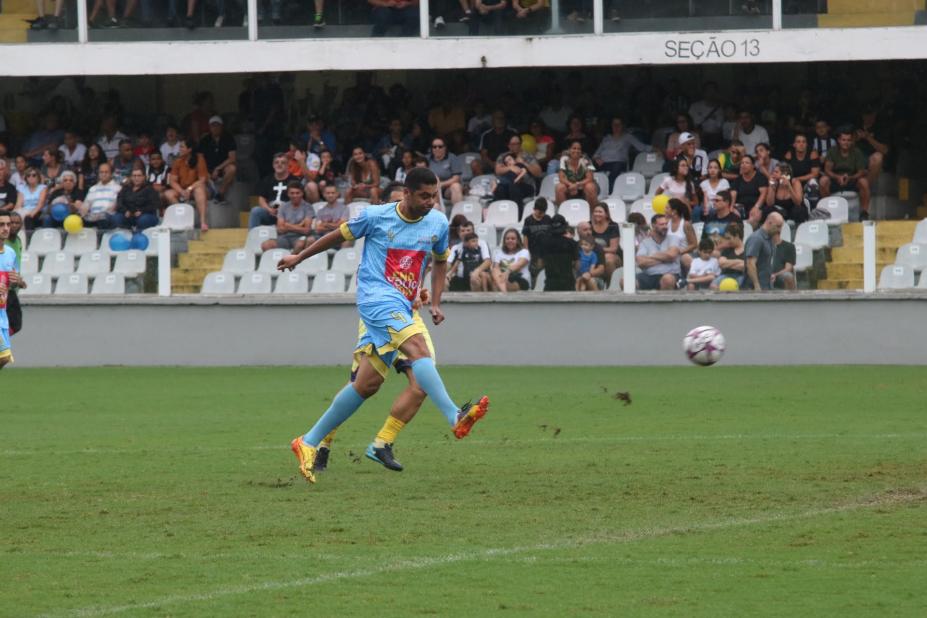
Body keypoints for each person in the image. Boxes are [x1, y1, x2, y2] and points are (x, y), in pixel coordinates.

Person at [278, 167, 489, 485]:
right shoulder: (375, 216)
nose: (431, 202)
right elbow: (337, 235)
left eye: (434, 196)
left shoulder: (438, 223)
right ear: (407, 193)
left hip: (404, 306)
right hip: (376, 300)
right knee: (419, 351)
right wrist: (299, 257)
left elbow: (441, 259)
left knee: (366, 385)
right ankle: (454, 416)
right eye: (424, 196)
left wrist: (435, 301)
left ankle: (308, 441)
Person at [312, 182, 443, 473]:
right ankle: (322, 441)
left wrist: (423, 294)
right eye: (397, 201)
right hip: (379, 320)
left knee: (421, 383)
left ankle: (383, 443)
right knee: (363, 385)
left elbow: (417, 271)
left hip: (408, 319)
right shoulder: (379, 234)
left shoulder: (422, 231)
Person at [821, 128, 870, 220]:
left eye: (848, 140)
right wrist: (837, 177)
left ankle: (864, 212)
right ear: (839, 140)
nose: (846, 142)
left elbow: (861, 172)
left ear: (852, 141)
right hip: (835, 180)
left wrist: (850, 177)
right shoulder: (832, 151)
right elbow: (827, 170)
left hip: (852, 179)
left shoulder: (857, 152)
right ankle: (826, 210)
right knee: (823, 181)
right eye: (843, 140)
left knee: (864, 182)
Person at [593, 116, 651, 191]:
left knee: (616, 168)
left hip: (619, 164)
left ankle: (609, 191)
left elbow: (641, 147)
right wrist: (597, 158)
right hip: (604, 163)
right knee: (590, 168)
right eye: (614, 125)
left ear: (622, 126)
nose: (616, 127)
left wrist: (656, 149)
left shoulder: (628, 137)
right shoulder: (606, 138)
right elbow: (595, 154)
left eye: (618, 125)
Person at [166, 138, 210, 232]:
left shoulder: (199, 158)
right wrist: (182, 191)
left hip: (196, 188)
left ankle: (203, 222)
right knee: (169, 194)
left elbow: (202, 180)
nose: (179, 149)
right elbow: (172, 181)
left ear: (189, 149)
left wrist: (189, 189)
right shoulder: (178, 161)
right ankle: (182, 218)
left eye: (182, 147)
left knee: (199, 190)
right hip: (183, 190)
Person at [0, 211, 26, 370]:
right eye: (1, 225)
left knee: (4, 359)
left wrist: (19, 281)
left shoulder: (9, 253)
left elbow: (14, 279)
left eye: (8, 225)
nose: (6, 228)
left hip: (2, 313)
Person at [248, 152, 299, 229]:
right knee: (255, 211)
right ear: (273, 165)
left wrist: (283, 209)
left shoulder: (294, 180)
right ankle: (252, 237)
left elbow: (297, 200)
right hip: (271, 212)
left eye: (283, 163)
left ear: (288, 165)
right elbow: (261, 199)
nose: (279, 165)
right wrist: (269, 210)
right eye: (276, 162)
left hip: (288, 214)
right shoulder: (267, 180)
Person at [261, 182, 314, 253]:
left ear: (302, 193)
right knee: (266, 245)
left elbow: (306, 230)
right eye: (292, 193)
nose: (295, 195)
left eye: (297, 193)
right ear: (288, 194)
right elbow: (280, 229)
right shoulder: (283, 207)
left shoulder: (308, 207)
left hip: (300, 237)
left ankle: (291, 262)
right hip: (284, 237)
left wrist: (287, 225)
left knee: (300, 244)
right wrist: (299, 226)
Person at [635, 213, 681, 291]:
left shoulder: (674, 239)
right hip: (649, 275)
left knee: (667, 279)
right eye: (661, 224)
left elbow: (672, 256)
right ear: (653, 226)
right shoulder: (645, 242)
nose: (665, 227)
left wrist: (651, 256)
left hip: (670, 274)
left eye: (666, 224)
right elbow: (640, 262)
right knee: (625, 281)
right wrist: (664, 258)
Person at [197, 116, 237, 202]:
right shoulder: (204, 140)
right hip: (207, 169)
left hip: (222, 168)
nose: (215, 128)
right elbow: (200, 158)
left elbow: (232, 158)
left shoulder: (228, 138)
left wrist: (218, 168)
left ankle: (220, 194)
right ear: (209, 127)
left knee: (232, 168)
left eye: (217, 125)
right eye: (213, 125)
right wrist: (205, 172)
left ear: (222, 126)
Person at [493, 135, 541, 208]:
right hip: (508, 184)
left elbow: (538, 172)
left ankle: (518, 215)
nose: (515, 146)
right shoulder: (504, 156)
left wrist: (524, 163)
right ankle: (500, 214)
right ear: (508, 145)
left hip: (526, 186)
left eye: (517, 144)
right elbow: (498, 170)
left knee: (514, 187)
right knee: (499, 189)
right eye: (512, 144)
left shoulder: (528, 156)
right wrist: (510, 167)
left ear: (521, 144)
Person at [743, 212, 783, 290]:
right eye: (778, 226)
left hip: (766, 286)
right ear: (769, 222)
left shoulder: (769, 238)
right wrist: (757, 285)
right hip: (754, 288)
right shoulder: (756, 238)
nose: (779, 230)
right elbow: (750, 263)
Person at [556, 140, 598, 206]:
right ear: (569, 150)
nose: (576, 151)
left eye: (579, 149)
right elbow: (561, 178)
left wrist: (577, 184)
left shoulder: (586, 159)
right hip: (570, 186)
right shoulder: (564, 159)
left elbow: (590, 178)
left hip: (583, 185)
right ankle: (562, 213)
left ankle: (592, 213)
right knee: (559, 187)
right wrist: (570, 184)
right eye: (574, 148)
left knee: (590, 186)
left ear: (581, 151)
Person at [80, 162, 120, 229]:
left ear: (111, 174)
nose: (103, 174)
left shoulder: (117, 188)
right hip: (92, 217)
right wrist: (83, 212)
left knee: (103, 218)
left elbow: (114, 206)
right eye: (101, 172)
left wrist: (101, 214)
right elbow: (86, 204)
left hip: (107, 217)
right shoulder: (93, 188)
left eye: (106, 172)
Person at [490, 228, 531, 292]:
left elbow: (519, 265)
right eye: (507, 239)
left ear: (518, 240)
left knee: (497, 283)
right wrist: (502, 275)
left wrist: (507, 272)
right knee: (495, 272)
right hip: (502, 279)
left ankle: (503, 295)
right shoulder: (499, 253)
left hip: (520, 279)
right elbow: (496, 268)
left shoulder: (524, 252)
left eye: (513, 239)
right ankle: (504, 293)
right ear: (504, 241)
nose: (510, 240)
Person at [588, 202, 621, 280]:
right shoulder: (588, 225)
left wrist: (597, 250)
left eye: (600, 212)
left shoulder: (613, 226)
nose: (597, 214)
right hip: (593, 255)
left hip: (612, 256)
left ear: (606, 214)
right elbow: (586, 244)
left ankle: (612, 285)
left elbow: (613, 249)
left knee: (607, 258)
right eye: (595, 211)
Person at [427, 137, 464, 205]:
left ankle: (457, 213)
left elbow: (456, 178)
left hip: (447, 188)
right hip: (430, 188)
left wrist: (441, 184)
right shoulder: (427, 159)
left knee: (456, 186)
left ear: (445, 147)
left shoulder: (452, 158)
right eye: (434, 147)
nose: (437, 149)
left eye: (440, 146)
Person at [730, 154, 767, 220]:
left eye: (747, 163)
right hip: (741, 207)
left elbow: (763, 193)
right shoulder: (738, 179)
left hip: (756, 205)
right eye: (742, 163)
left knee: (754, 215)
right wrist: (731, 207)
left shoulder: (760, 177)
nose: (743, 165)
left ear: (753, 165)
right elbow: (733, 194)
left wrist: (756, 207)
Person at [521, 197, 553, 274]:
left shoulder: (548, 219)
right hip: (533, 250)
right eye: (539, 213)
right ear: (534, 209)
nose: (541, 215)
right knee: (535, 270)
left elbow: (551, 234)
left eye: (543, 213)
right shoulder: (528, 220)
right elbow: (525, 236)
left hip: (545, 250)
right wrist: (526, 251)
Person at [665, 198, 698, 273]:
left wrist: (679, 252)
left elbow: (694, 244)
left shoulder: (686, 224)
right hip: (670, 255)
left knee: (685, 258)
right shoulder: (666, 223)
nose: (665, 210)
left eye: (667, 208)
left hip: (683, 255)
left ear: (674, 211)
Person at [712, 220, 745, 290]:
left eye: (729, 238)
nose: (727, 241)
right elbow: (721, 263)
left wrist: (728, 263)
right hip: (726, 275)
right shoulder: (727, 250)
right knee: (713, 285)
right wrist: (738, 261)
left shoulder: (747, 249)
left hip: (741, 276)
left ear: (737, 236)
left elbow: (745, 266)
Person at [771, 226, 797, 291]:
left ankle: (790, 299)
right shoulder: (764, 246)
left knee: (788, 275)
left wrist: (774, 275)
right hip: (765, 276)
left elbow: (788, 268)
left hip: (780, 277)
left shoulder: (788, 246)